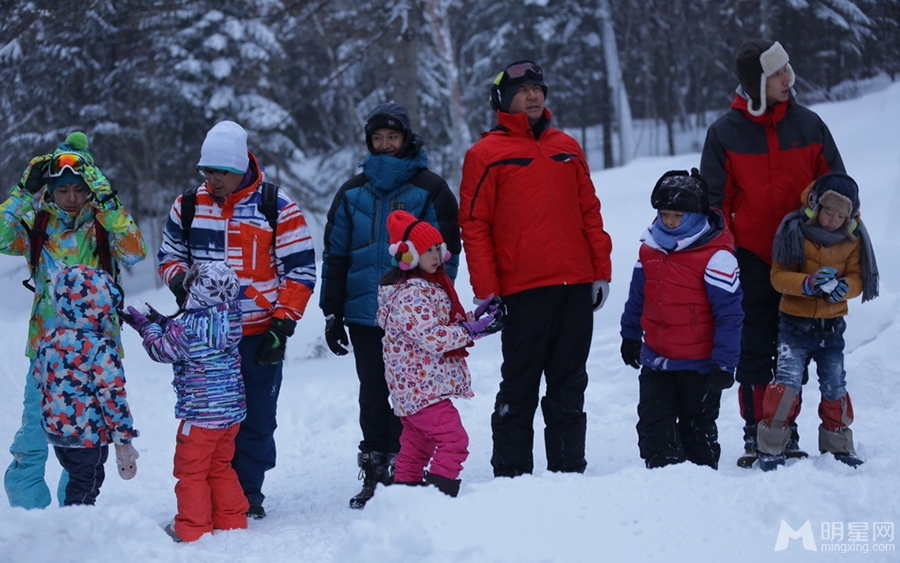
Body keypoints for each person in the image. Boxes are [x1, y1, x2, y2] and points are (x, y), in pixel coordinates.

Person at [459, 60, 613, 477]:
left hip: (575, 284)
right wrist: (487, 290)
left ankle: (569, 471)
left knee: (569, 382)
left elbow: (589, 211)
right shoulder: (484, 153)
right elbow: (474, 225)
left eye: (537, 88)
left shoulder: (567, 145)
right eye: (522, 90)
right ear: (503, 100)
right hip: (523, 289)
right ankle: (511, 475)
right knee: (520, 383)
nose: (532, 95)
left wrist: (601, 270)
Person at [157, 120, 317, 519]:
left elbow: (301, 271)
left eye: (220, 172)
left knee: (257, 417)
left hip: (258, 332)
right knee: (209, 418)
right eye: (206, 172)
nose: (212, 180)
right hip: (205, 338)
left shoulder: (276, 207)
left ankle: (247, 491)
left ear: (241, 166)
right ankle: (213, 488)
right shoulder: (188, 205)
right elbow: (169, 255)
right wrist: (182, 284)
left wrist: (282, 324)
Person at [699, 39, 846, 466]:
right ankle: (756, 433)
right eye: (777, 73)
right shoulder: (724, 133)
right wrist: (724, 251)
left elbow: (837, 188)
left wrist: (830, 239)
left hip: (806, 259)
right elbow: (713, 202)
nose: (788, 79)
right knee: (755, 349)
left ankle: (787, 429)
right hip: (750, 257)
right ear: (756, 83)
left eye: (788, 70)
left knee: (795, 349)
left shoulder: (810, 125)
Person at [320, 102, 461, 508]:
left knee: (414, 394)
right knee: (373, 392)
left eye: (392, 137)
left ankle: (408, 470)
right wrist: (333, 311)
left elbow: (446, 251)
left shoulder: (431, 188)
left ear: (406, 139)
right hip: (365, 313)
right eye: (377, 138)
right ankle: (377, 469)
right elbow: (336, 254)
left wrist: (439, 303)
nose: (385, 145)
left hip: (414, 317)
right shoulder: (351, 192)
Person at [0, 131, 147, 508]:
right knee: (34, 433)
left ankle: (73, 519)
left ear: (89, 189)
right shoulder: (37, 224)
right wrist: (21, 190)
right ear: (49, 189)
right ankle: (29, 516)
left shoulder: (103, 223)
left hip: (97, 349)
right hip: (46, 350)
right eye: (62, 189)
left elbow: (135, 252)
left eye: (79, 189)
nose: (71, 197)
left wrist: (109, 197)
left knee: (85, 442)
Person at [619, 169, 744, 469]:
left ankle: (700, 487)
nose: (670, 221)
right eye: (664, 214)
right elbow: (638, 297)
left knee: (696, 430)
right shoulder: (649, 248)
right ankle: (663, 486)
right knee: (653, 427)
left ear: (694, 215)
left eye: (677, 215)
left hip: (699, 366)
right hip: (657, 361)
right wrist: (630, 335)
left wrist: (725, 364)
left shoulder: (716, 256)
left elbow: (729, 316)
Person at [756, 172, 878, 471]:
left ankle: (838, 445)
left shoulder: (854, 239)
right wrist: (807, 283)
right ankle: (772, 447)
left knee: (835, 387)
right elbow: (778, 277)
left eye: (841, 214)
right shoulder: (793, 229)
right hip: (794, 326)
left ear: (851, 215)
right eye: (828, 211)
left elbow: (857, 279)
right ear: (815, 206)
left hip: (831, 328)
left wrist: (844, 289)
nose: (833, 219)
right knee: (785, 386)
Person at [376, 210, 503, 497]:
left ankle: (405, 499)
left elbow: (439, 323)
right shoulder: (410, 293)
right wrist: (474, 330)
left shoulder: (425, 287)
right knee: (454, 441)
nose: (435, 255)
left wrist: (474, 317)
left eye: (437, 248)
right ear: (407, 255)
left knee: (417, 448)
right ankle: (438, 499)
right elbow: (432, 337)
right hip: (421, 390)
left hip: (417, 390)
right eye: (427, 250)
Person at [122, 262, 248, 541]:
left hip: (201, 416)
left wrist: (145, 327)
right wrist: (160, 320)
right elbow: (182, 334)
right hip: (230, 413)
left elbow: (162, 349)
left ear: (197, 293)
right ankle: (232, 520)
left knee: (191, 472)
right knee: (220, 466)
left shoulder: (190, 328)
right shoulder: (230, 318)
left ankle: (193, 527)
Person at [33, 264, 139, 505]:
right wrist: (124, 439)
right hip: (88, 437)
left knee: (76, 478)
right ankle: (76, 531)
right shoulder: (101, 346)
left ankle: (76, 526)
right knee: (85, 486)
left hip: (57, 434)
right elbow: (112, 395)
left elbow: (39, 379)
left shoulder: (48, 339)